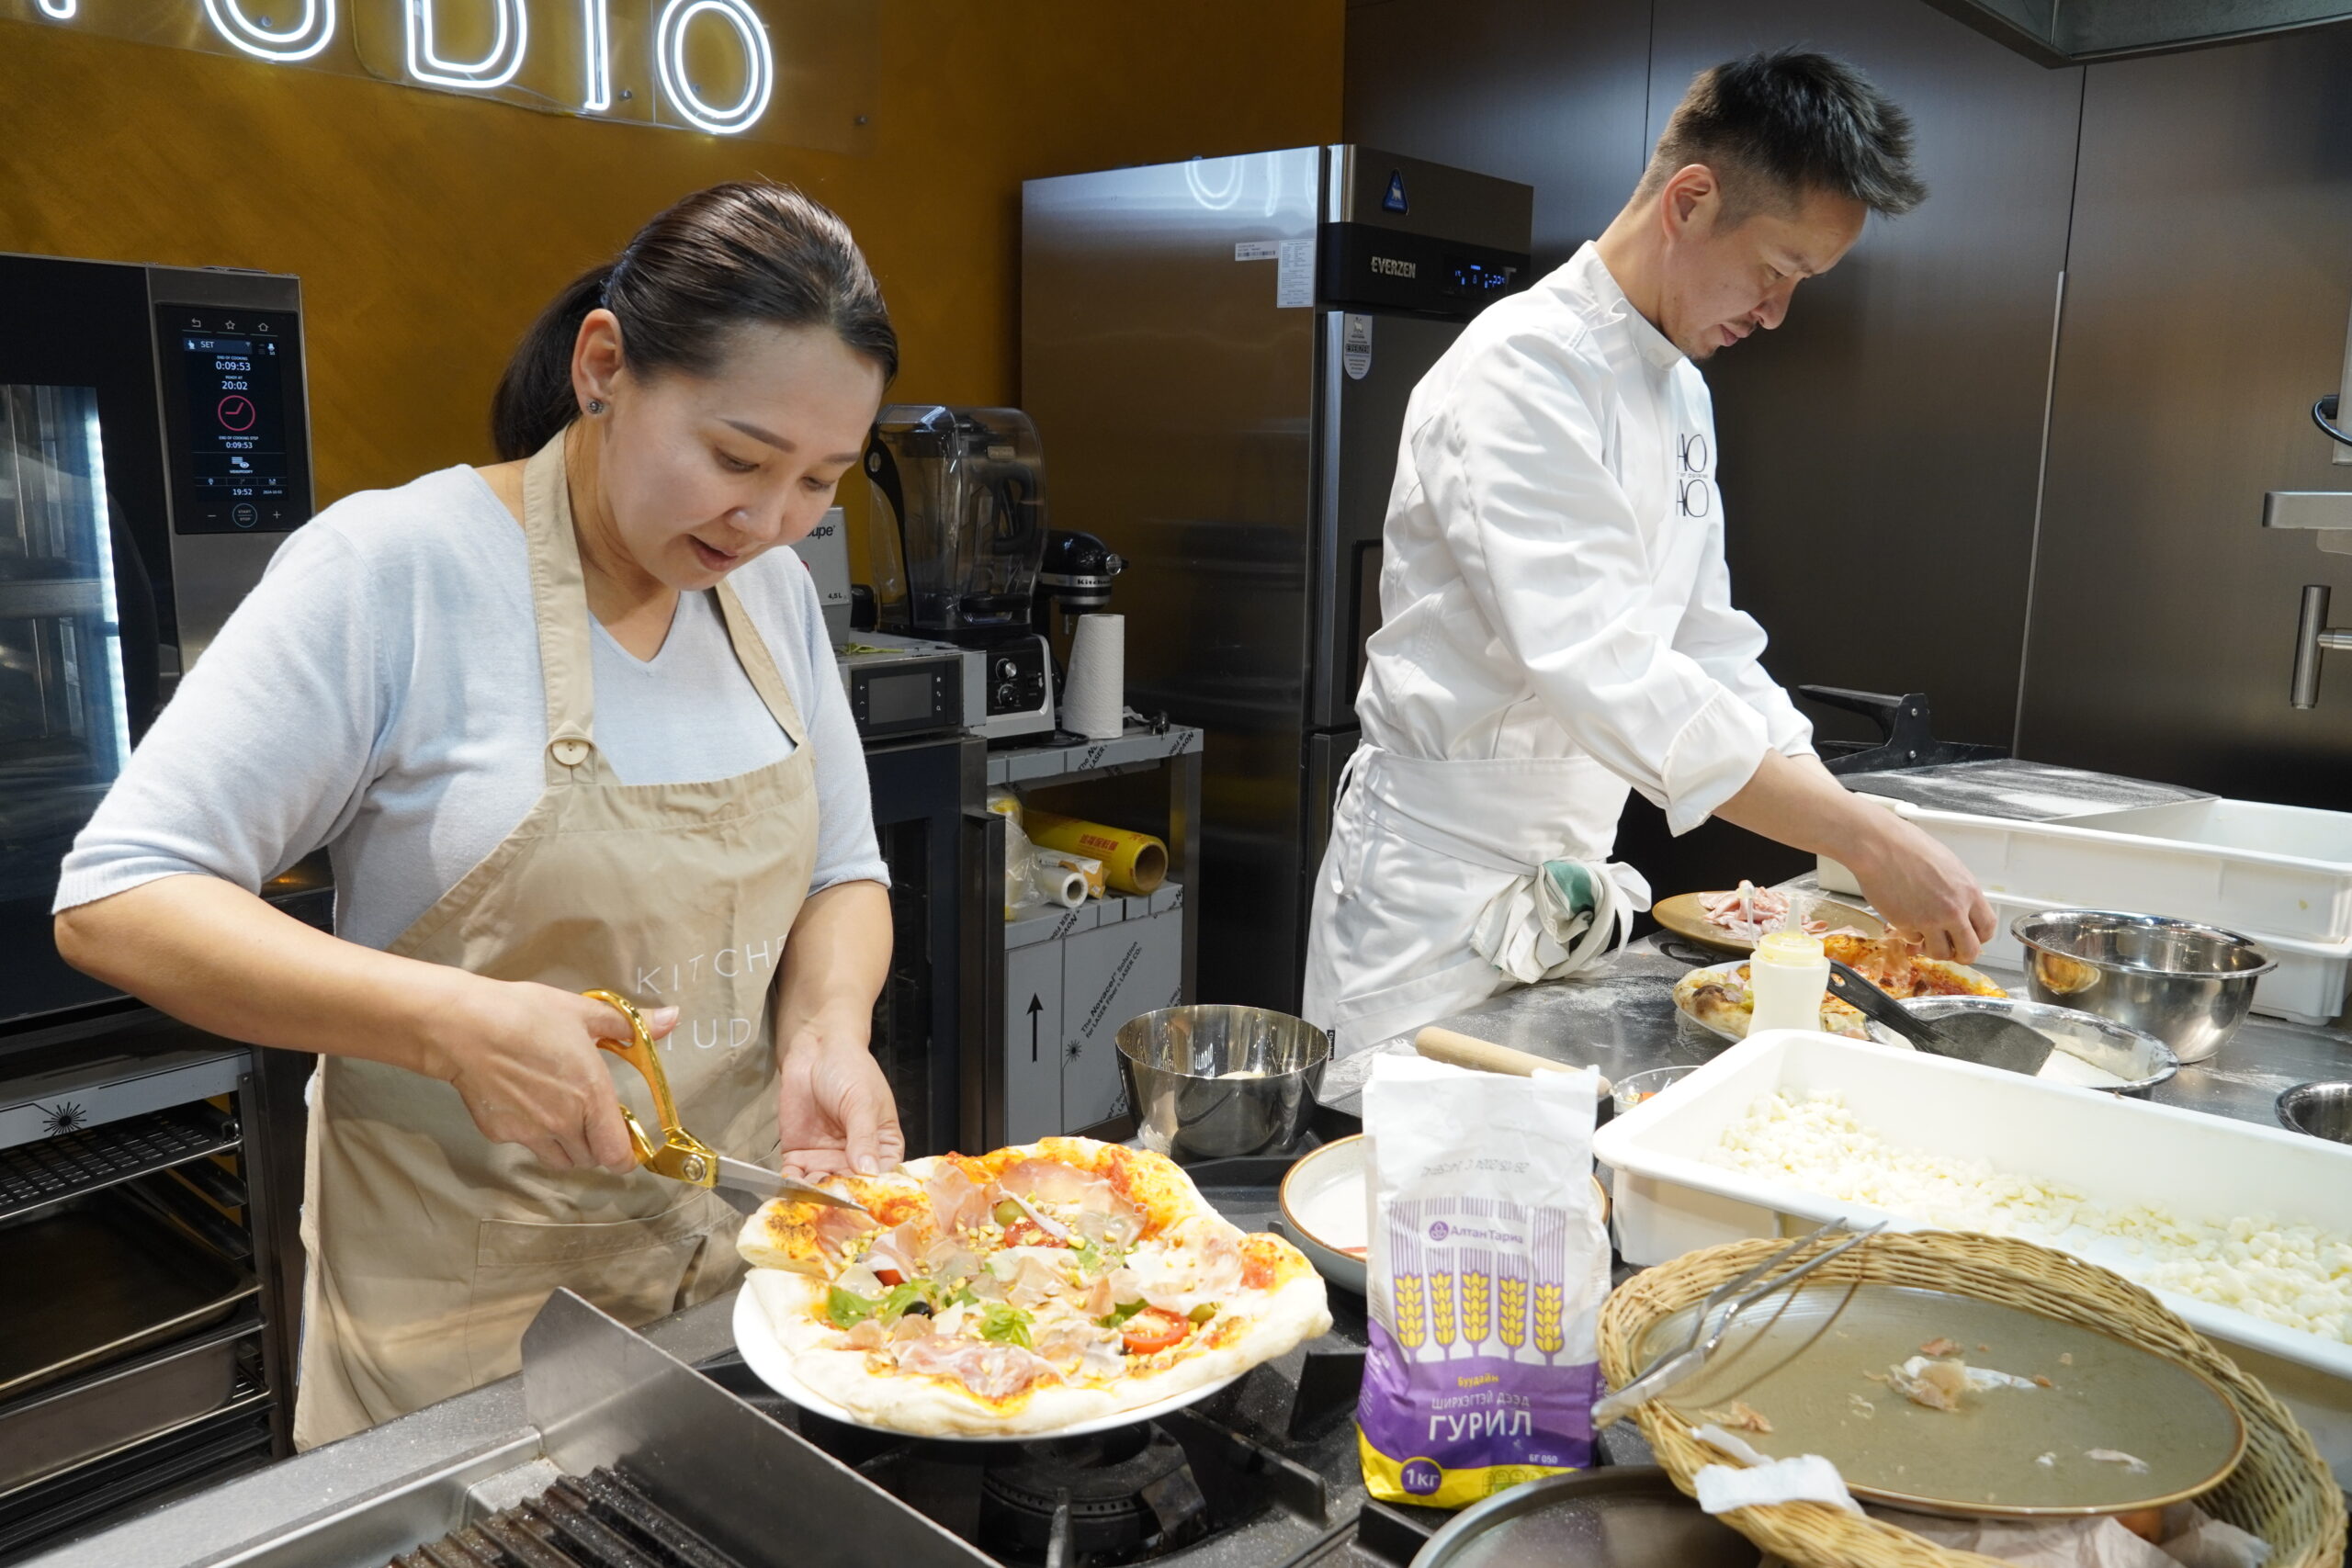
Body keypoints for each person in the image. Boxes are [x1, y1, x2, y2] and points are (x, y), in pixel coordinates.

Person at [52, 182, 904, 1447]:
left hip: (727, 1281)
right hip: (461, 1330)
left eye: (818, 482)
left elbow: (842, 868)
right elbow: (119, 897)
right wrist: (452, 1026)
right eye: (738, 458)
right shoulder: (396, 568)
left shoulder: (768, 593)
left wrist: (828, 1028)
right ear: (603, 366)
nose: (770, 520)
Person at [1303, 51, 1996, 1053]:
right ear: (1690, 200)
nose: (1775, 312)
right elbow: (1609, 671)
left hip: (1567, 890)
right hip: (1435, 905)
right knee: (1403, 1145)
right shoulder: (1520, 369)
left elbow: (1705, 644)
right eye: (1776, 271)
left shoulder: (1678, 387)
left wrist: (1843, 816)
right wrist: (1862, 838)